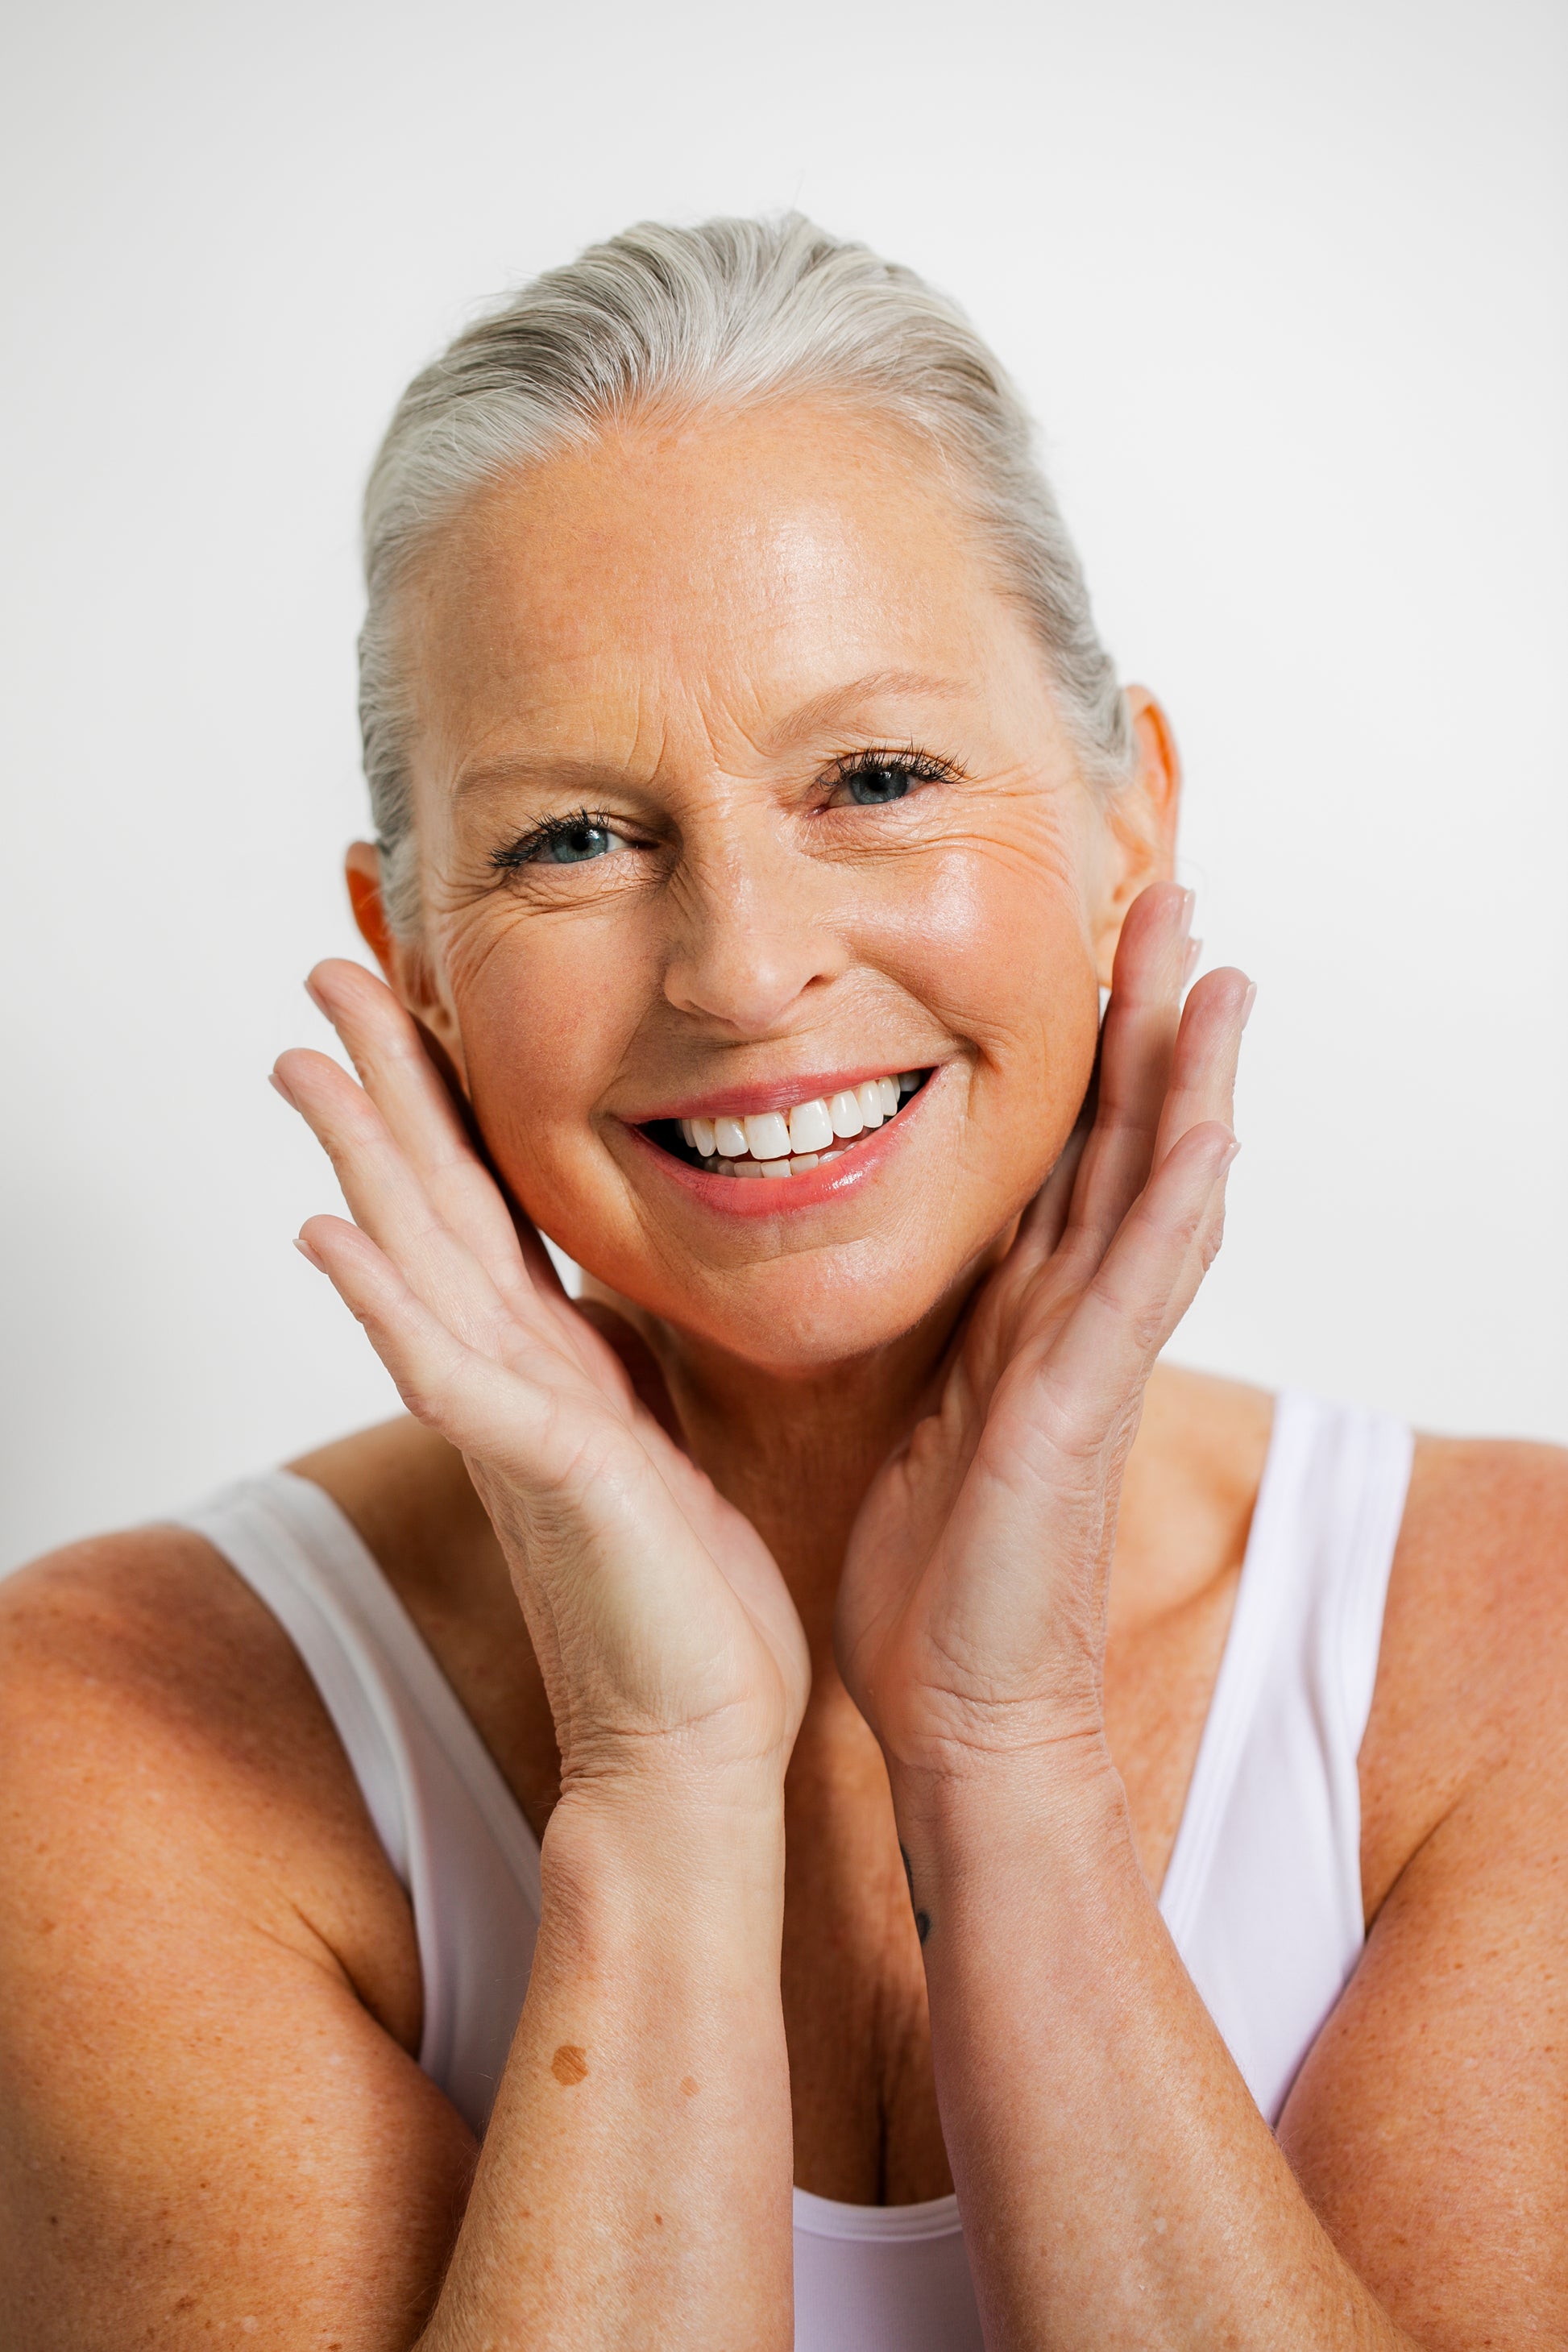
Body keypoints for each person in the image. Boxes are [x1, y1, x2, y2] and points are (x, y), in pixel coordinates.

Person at [1, 214, 1563, 2352]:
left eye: (879, 779)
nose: (741, 969)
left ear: (1130, 817)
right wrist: (659, 1785)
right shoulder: (98, 1732)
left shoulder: (1520, 1649)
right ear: (411, 959)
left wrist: (1008, 1770)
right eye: (571, 838)